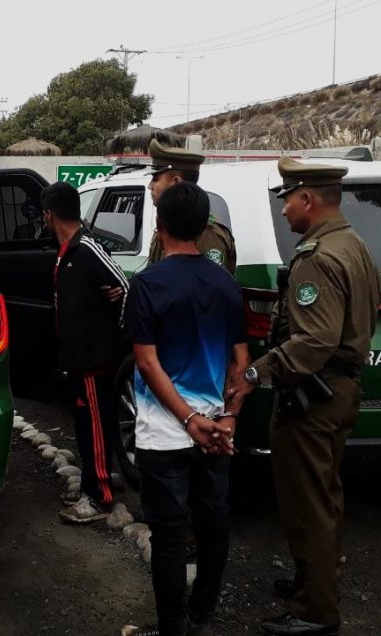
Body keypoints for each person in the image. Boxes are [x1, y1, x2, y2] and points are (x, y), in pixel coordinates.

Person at [233, 157, 381, 636]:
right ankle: (309, 585)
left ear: (307, 199)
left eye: (287, 201)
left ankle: (317, 612)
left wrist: (257, 372)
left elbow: (315, 341)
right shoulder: (355, 245)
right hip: (340, 391)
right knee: (325, 496)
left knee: (308, 504)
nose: (283, 212)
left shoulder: (318, 255)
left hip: (314, 399)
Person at [121, 182, 250, 636]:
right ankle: (202, 617)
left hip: (165, 431)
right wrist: (227, 418)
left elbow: (147, 361)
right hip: (216, 431)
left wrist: (187, 420)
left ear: (159, 226)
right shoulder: (227, 284)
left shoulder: (147, 284)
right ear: (203, 227)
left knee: (170, 533)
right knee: (214, 523)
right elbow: (241, 362)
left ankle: (173, 627)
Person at [41, 181, 130, 524]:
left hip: (95, 359)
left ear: (49, 214)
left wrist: (114, 336)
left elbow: (124, 286)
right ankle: (96, 479)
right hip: (76, 359)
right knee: (85, 422)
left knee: (95, 423)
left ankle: (99, 496)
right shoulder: (68, 252)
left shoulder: (87, 249)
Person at [145, 140, 236, 275]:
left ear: (176, 182)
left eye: (155, 179)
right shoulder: (168, 224)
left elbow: (206, 289)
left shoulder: (207, 233)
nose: (150, 186)